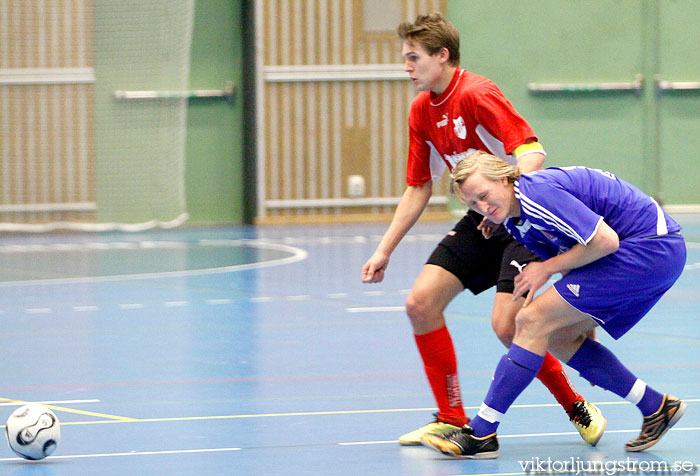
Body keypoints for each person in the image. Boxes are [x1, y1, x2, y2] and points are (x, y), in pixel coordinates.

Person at [361, 12, 605, 446]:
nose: (406, 66)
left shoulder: (478, 94)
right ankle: (453, 417)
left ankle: (575, 405)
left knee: (508, 326)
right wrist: (384, 250)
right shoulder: (422, 111)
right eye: (405, 58)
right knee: (420, 303)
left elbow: (530, 150)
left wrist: (514, 204)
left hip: (516, 217)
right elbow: (418, 186)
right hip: (480, 217)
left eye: (413, 57)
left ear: (443, 56)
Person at [421, 151, 687, 458]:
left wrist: (545, 269)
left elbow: (605, 241)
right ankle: (656, 406)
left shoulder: (538, 193)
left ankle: (481, 432)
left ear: (505, 179)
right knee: (557, 334)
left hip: (650, 247)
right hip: (641, 253)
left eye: (484, 195)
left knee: (531, 320)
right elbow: (574, 252)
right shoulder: (516, 219)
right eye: (472, 204)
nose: (483, 208)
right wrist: (580, 316)